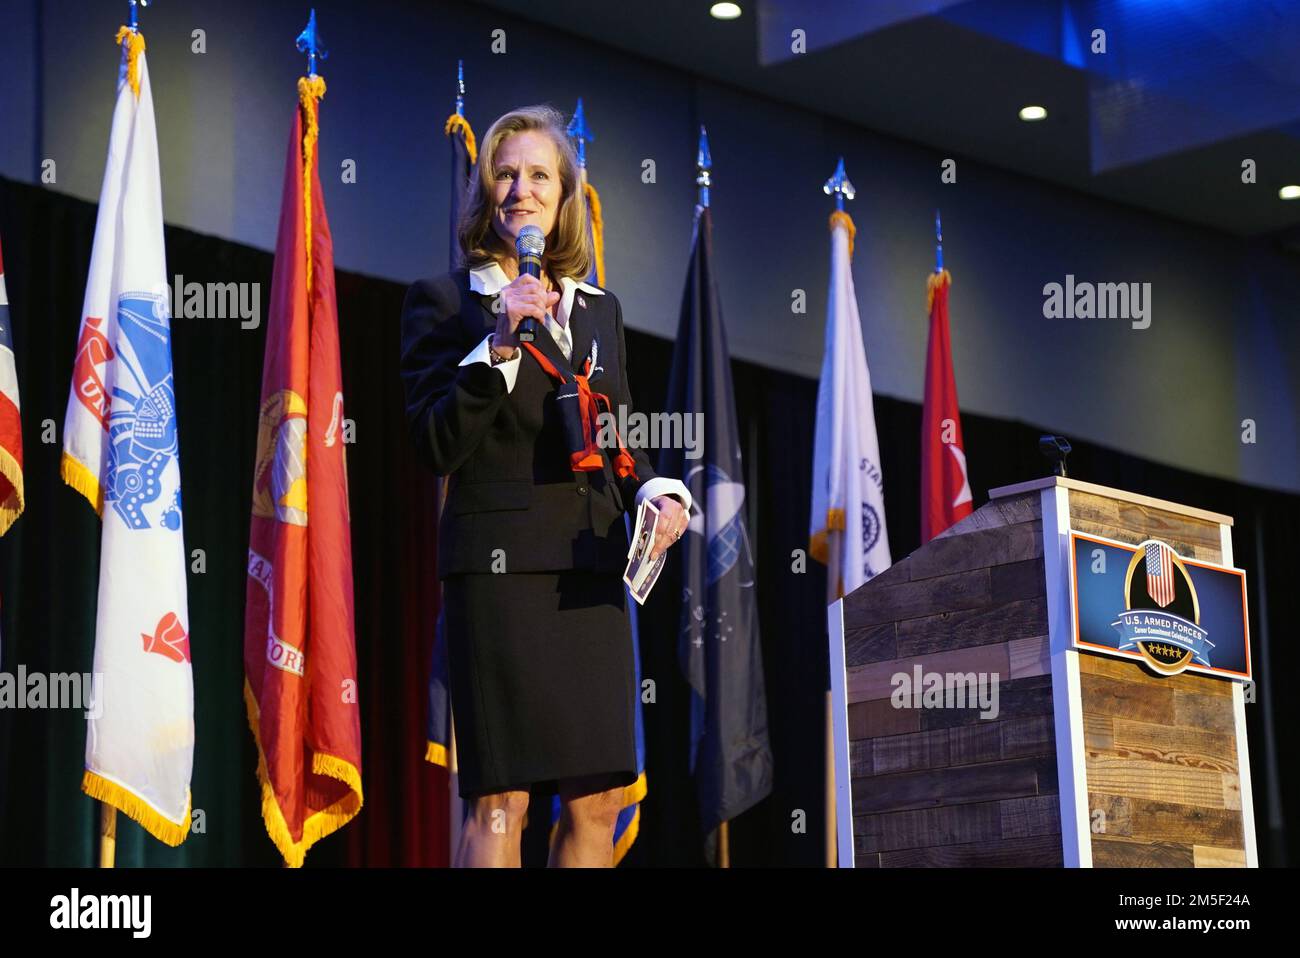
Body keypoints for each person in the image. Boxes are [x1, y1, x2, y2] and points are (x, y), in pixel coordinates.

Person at [399, 105, 691, 867]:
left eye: (539, 175)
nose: (521, 190)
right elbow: (434, 442)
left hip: (592, 573)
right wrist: (497, 344)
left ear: (564, 199)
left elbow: (618, 435)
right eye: (505, 173)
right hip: (500, 579)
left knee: (599, 800)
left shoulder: (600, 310)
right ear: (484, 193)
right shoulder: (445, 301)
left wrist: (659, 493)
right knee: (502, 806)